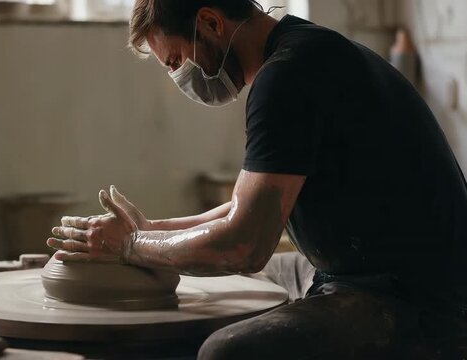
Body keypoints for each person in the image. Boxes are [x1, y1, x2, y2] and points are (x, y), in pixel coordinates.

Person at [47, 1, 467, 358]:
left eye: (176, 61)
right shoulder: (305, 49)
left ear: (211, 23)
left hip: (415, 302)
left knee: (224, 351)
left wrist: (131, 247)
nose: (178, 77)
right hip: (366, 271)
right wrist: (149, 230)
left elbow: (243, 245)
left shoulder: (287, 77)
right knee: (241, 284)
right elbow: (243, 209)